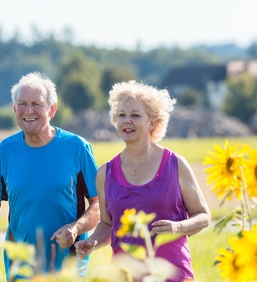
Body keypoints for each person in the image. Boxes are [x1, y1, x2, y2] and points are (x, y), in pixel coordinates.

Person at [75, 80, 211, 282]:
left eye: (135, 115)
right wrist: (92, 242)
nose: (126, 121)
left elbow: (203, 216)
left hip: (172, 275)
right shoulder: (105, 173)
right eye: (121, 115)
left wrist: (177, 227)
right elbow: (107, 223)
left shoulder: (175, 165)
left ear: (152, 123)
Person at [0, 72, 100, 279]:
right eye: (22, 104)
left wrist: (75, 227)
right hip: (20, 264)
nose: (29, 110)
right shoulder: (3, 152)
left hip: (68, 266)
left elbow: (99, 204)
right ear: (15, 109)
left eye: (36, 103)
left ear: (52, 110)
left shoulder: (77, 148)